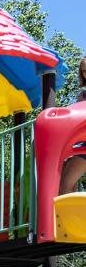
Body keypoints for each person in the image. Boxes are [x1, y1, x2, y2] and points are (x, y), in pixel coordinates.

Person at [59, 57, 86, 195]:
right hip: (80, 143)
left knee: (65, 184)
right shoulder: (82, 95)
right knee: (64, 180)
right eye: (84, 71)